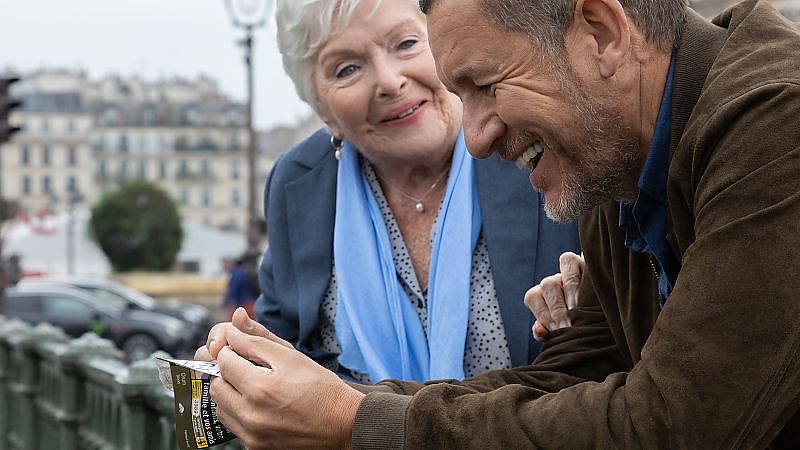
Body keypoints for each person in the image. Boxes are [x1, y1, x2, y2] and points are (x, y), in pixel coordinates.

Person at [197, 0, 800, 447]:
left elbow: (672, 426)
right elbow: (570, 380)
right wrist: (332, 404)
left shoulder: (779, 122)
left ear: (602, 30)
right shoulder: (616, 155)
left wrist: (351, 420)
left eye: (485, 86)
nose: (476, 136)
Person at [251, 0, 580, 384]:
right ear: (324, 112)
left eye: (406, 44)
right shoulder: (298, 183)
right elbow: (282, 348)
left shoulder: (529, 137)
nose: (390, 81)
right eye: (347, 69)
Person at [222, 254, 258, 320]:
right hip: (250, 303)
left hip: (245, 305)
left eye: (224, 264)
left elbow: (233, 290)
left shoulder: (236, 273)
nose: (223, 267)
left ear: (229, 263)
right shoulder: (241, 271)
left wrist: (225, 302)